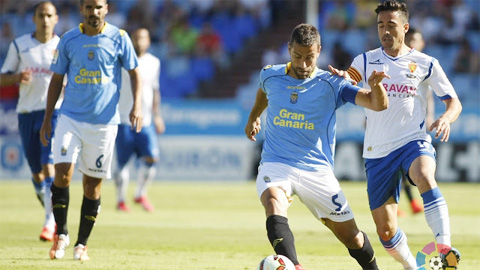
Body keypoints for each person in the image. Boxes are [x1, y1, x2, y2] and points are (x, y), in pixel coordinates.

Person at [245, 23, 390, 270]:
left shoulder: (332, 83)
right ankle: (296, 267)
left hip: (317, 170)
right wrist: (254, 117)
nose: (303, 64)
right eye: (297, 56)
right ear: (289, 49)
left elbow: (377, 105)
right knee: (272, 201)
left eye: (309, 57)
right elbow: (263, 92)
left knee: (352, 237)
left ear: (319, 51)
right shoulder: (270, 74)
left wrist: (376, 86)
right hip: (277, 162)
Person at [344, 1, 462, 269]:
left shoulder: (425, 63)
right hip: (377, 152)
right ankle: (414, 266)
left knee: (423, 174)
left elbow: (454, 102)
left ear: (405, 28)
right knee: (385, 232)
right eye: (380, 25)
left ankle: (444, 249)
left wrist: (446, 117)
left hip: (413, 142)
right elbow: (346, 82)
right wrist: (343, 78)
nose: (385, 31)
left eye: (391, 25)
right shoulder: (364, 60)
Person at [39, 0, 143, 261]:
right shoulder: (69, 40)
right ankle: (60, 234)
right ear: (81, 9)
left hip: (104, 124)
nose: (93, 12)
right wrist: (47, 117)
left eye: (98, 7)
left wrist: (137, 107)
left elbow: (134, 73)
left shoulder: (120, 38)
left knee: (92, 186)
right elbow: (56, 79)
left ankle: (81, 244)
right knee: (61, 173)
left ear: (106, 9)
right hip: (70, 118)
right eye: (89, 7)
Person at [0, 1, 60, 242]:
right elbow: (3, 78)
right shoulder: (20, 45)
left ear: (56, 19)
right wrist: (17, 77)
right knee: (37, 173)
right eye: (40, 15)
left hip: (53, 112)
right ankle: (48, 205)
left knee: (49, 166)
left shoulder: (63, 46)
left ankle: (50, 221)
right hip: (26, 113)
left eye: (49, 15)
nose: (45, 20)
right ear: (34, 19)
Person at [114, 28, 165, 212]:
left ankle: (140, 194)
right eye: (135, 38)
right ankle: (121, 200)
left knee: (152, 156)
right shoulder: (120, 60)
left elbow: (155, 90)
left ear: (149, 41)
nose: (139, 41)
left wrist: (157, 115)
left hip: (146, 120)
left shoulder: (154, 62)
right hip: (123, 118)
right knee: (122, 162)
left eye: (142, 38)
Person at [396, 27, 434, 216]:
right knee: (397, 168)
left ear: (422, 43)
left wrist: (430, 117)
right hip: (394, 126)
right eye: (409, 39)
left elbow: (429, 97)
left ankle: (408, 204)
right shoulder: (397, 63)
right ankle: (403, 204)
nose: (411, 43)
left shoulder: (425, 65)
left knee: (410, 168)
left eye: (415, 40)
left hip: (415, 128)